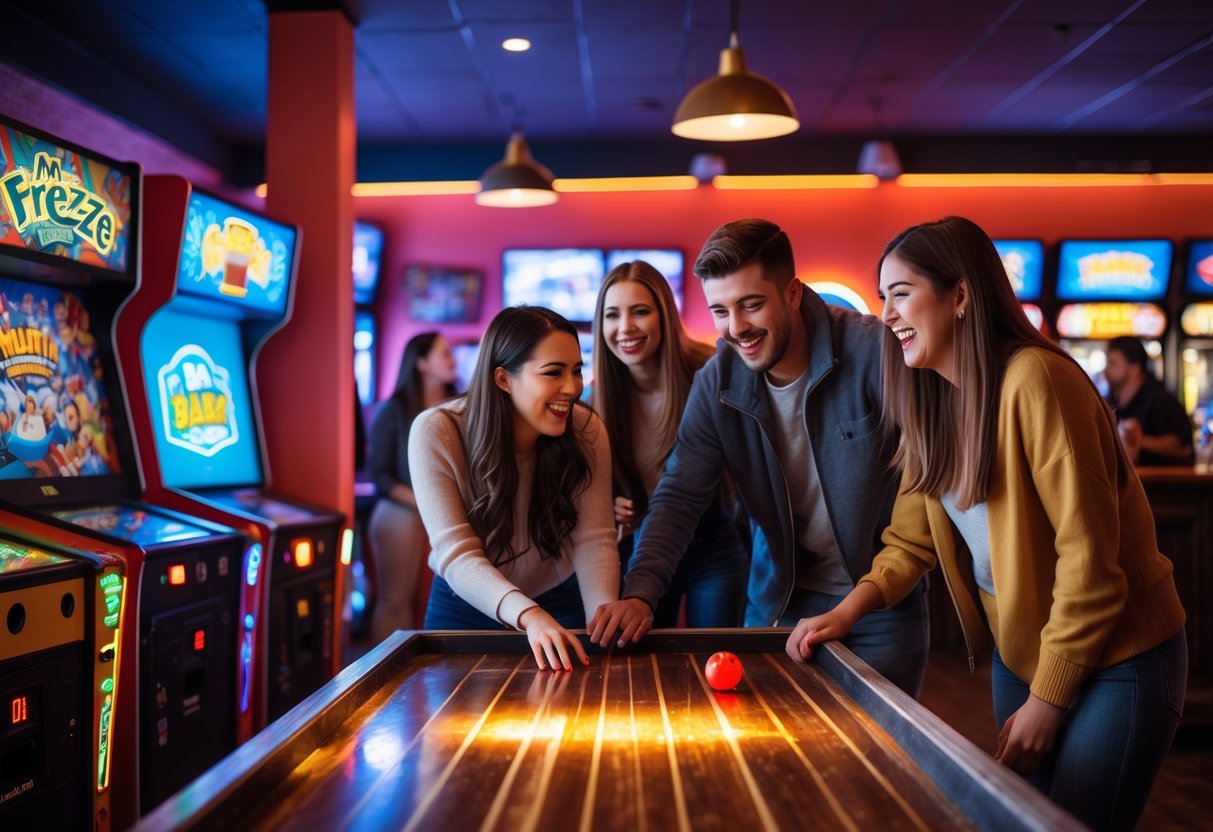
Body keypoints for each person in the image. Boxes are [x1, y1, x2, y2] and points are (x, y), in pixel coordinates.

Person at [785, 216, 1187, 831]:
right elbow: (908, 539)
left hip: (1120, 654)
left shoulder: (1039, 380)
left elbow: (1090, 569)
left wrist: (1048, 700)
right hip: (1022, 649)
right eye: (881, 296)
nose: (886, 315)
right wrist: (848, 610)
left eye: (901, 293)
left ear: (963, 296)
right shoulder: (933, 397)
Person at [589, 218, 928, 697]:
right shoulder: (717, 381)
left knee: (883, 758)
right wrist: (641, 590)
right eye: (720, 311)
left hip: (880, 605)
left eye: (751, 304)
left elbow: (931, 473)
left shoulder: (874, 350)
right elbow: (681, 493)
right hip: (780, 602)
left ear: (791, 292)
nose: (736, 328)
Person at [409, 306, 619, 671]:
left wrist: (600, 624)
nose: (571, 389)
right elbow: (456, 553)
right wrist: (529, 615)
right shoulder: (436, 431)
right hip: (466, 604)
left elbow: (595, 538)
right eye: (553, 372)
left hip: (559, 597)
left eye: (576, 371)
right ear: (504, 379)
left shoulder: (586, 429)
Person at [591, 260, 747, 628]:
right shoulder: (594, 401)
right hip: (640, 555)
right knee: (644, 672)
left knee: (714, 664)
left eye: (640, 311)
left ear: (664, 314)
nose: (625, 327)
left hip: (712, 549)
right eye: (612, 315)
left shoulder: (709, 372)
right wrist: (610, 505)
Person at [366, 332, 457, 642]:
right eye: (444, 353)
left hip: (444, 509)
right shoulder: (392, 411)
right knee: (395, 602)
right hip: (401, 509)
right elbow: (379, 476)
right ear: (421, 363)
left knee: (426, 604)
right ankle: (384, 680)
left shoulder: (459, 406)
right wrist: (425, 501)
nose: (452, 359)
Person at [1103, 335, 1195, 466]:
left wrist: (1133, 439)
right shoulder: (1113, 400)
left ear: (1134, 369)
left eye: (1113, 363)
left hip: (1162, 484)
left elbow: (1180, 446)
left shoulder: (1159, 400)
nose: (1106, 370)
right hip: (1135, 483)